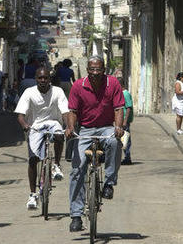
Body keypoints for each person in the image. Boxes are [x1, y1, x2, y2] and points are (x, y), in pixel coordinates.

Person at [66, 55, 125, 233]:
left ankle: (109, 183)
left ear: (104, 69)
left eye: (98, 69)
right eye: (91, 69)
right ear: (87, 70)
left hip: (107, 127)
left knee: (115, 142)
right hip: (85, 129)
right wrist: (70, 128)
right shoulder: (78, 85)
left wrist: (118, 127)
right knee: (77, 170)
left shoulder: (113, 83)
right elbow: (73, 111)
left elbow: (118, 109)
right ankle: (76, 216)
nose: (95, 73)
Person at [15, 67, 69, 210]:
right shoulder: (29, 92)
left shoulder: (57, 91)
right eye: (40, 78)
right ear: (36, 79)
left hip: (53, 123)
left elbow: (65, 112)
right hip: (35, 126)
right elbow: (20, 114)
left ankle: (56, 165)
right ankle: (32, 194)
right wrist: (25, 125)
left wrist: (68, 126)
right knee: (33, 159)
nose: (43, 81)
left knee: (59, 135)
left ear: (50, 79)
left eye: (46, 78)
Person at [117, 77, 133, 165]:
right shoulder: (121, 93)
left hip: (124, 121)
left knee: (126, 139)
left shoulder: (125, 94)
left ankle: (127, 158)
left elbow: (128, 108)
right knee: (121, 139)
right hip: (121, 120)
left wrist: (124, 121)